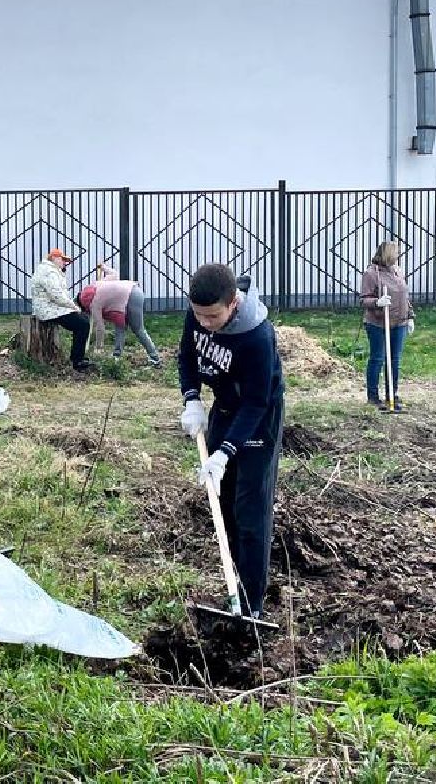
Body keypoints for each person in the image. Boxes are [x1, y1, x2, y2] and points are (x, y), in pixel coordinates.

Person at [178, 264, 285, 619]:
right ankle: (233, 590)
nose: (204, 323)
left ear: (233, 303)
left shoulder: (257, 336)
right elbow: (187, 358)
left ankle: (251, 605)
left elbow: (257, 401)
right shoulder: (197, 316)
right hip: (224, 408)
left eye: (212, 317)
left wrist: (225, 452)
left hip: (259, 416)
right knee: (222, 502)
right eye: (199, 315)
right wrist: (192, 398)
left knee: (250, 511)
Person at [358, 240, 415, 412]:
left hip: (399, 322)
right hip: (378, 323)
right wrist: (377, 302)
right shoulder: (371, 273)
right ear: (387, 254)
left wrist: (410, 316)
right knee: (378, 358)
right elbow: (363, 299)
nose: (398, 255)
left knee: (395, 361)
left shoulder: (397, 271)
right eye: (396, 252)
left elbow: (405, 296)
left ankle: (392, 394)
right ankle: (373, 397)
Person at [80, 262, 161, 366]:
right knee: (120, 326)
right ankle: (117, 356)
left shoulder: (93, 304)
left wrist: (98, 347)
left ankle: (155, 358)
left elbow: (100, 327)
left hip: (132, 296)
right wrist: (104, 267)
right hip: (129, 293)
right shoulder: (97, 284)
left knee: (138, 329)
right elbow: (115, 274)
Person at [29, 247, 91, 371]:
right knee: (82, 324)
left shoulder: (49, 270)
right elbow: (56, 295)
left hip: (52, 307)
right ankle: (77, 361)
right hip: (49, 309)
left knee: (82, 321)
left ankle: (77, 357)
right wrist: (73, 306)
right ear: (54, 258)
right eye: (62, 259)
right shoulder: (49, 272)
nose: (64, 263)